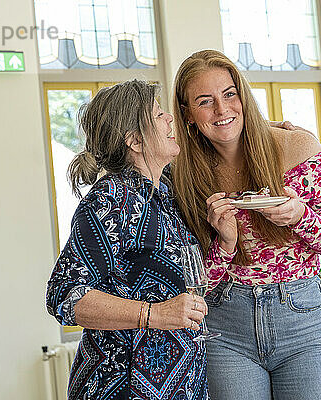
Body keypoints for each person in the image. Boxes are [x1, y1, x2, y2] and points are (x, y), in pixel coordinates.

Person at [172, 50, 321, 400]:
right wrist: (224, 245)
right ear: (188, 115)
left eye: (229, 94)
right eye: (205, 102)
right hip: (227, 327)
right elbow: (196, 284)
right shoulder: (185, 176)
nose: (222, 110)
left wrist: (301, 217)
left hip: (301, 318)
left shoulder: (297, 146)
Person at [46, 80, 211, 400]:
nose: (170, 119)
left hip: (179, 386)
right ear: (135, 140)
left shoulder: (167, 192)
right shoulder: (110, 199)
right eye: (159, 114)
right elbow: (65, 296)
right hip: (122, 385)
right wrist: (155, 314)